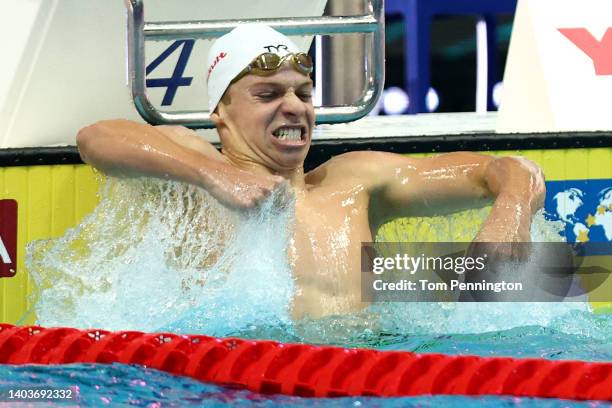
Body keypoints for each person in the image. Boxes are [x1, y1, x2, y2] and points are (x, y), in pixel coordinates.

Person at [77, 24, 545, 319]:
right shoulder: (195, 172)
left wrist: (512, 210)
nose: (294, 107)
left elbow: (506, 169)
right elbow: (96, 138)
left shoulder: (353, 183)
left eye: (303, 93)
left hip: (358, 378)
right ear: (221, 110)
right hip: (234, 384)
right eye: (268, 95)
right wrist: (210, 174)